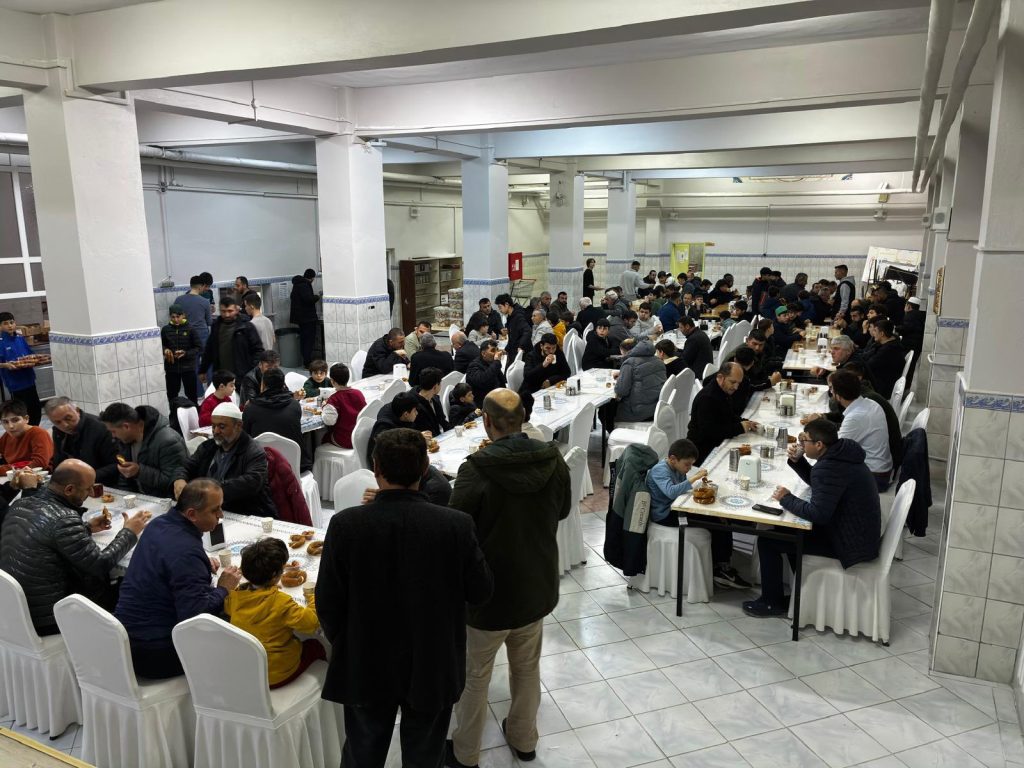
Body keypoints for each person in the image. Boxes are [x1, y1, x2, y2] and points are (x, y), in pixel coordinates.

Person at [317, 428, 491, 768]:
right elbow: (481, 591)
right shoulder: (455, 525)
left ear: (375, 468)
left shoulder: (345, 525)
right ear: (425, 469)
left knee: (362, 755)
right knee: (425, 756)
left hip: (366, 660)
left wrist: (351, 642)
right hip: (432, 660)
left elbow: (328, 603)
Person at [447, 390, 570, 768]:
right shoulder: (553, 458)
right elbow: (563, 510)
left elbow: (456, 529)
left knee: (475, 676)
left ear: (486, 421)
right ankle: (523, 739)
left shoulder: (477, 469)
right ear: (522, 417)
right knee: (527, 667)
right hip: (535, 584)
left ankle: (466, 753)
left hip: (487, 592)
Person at [744, 419, 881, 617]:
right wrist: (799, 461)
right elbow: (822, 485)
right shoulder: (842, 454)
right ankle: (802, 594)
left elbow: (818, 514)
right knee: (786, 531)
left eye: (804, 440)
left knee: (768, 541)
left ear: (819, 445)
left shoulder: (829, 467)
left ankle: (771, 603)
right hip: (857, 534)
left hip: (848, 544)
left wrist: (786, 499)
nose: (800, 444)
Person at [0, 459, 150, 634]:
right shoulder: (64, 519)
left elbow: (49, 537)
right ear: (69, 489)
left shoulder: (20, 504)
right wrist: (129, 532)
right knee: (132, 584)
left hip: (15, 612)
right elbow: (100, 564)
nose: (91, 493)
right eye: (88, 489)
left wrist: (87, 528)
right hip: (50, 618)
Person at [116, 479, 242, 678]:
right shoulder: (186, 552)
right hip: (155, 653)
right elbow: (196, 615)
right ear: (192, 514)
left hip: (124, 638)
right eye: (214, 510)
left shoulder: (158, 524)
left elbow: (169, 558)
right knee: (241, 629)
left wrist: (200, 562)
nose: (221, 515)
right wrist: (223, 588)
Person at [686, 363, 756, 589]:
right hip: (702, 457)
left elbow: (728, 418)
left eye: (739, 383)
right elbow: (711, 431)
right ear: (720, 377)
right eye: (733, 382)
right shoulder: (708, 398)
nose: (736, 387)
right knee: (720, 507)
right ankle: (721, 565)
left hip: (713, 450)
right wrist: (739, 427)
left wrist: (742, 423)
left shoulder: (722, 393)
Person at [225, 538, 325, 688]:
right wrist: (313, 598)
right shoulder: (281, 602)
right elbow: (311, 623)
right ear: (275, 576)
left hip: (249, 670)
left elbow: (231, 607)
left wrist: (268, 587)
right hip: (277, 674)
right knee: (316, 645)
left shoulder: (235, 596)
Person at [176, 401, 277, 517]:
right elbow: (186, 466)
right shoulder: (207, 447)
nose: (216, 431)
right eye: (213, 426)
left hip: (245, 512)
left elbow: (250, 483)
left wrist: (210, 491)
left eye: (222, 427)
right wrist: (179, 479)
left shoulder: (253, 451)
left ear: (238, 426)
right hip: (210, 510)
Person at [100, 402, 187, 497]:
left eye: (113, 431)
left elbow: (173, 481)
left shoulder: (167, 441)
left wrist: (139, 472)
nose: (113, 436)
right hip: (140, 499)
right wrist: (125, 498)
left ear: (126, 427)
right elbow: (125, 479)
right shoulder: (125, 440)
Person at [828, 369, 893, 489]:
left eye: (832, 389)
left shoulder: (855, 417)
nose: (831, 392)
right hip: (882, 467)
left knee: (824, 471)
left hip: (875, 476)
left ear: (838, 396)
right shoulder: (871, 403)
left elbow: (835, 450)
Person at [243, 368, 311, 473]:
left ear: (263, 385)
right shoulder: (294, 405)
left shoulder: (251, 408)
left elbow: (245, 436)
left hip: (262, 468)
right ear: (283, 385)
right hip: (294, 466)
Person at [45, 397, 119, 481]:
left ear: (77, 410)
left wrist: (85, 478)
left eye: (68, 418)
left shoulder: (101, 428)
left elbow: (116, 465)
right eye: (57, 422)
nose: (65, 425)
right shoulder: (58, 431)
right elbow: (59, 462)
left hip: (101, 480)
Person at [201, 296, 264, 392]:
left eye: (230, 311)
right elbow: (209, 350)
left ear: (236, 310)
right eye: (223, 311)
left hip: (242, 377)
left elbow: (258, 350)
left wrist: (252, 371)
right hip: (221, 377)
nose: (227, 314)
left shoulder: (246, 327)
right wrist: (203, 370)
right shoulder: (216, 326)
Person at [646, 439, 708, 526]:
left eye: (691, 464)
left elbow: (683, 488)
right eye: (687, 464)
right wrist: (695, 477)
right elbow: (671, 492)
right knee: (709, 521)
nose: (690, 468)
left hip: (676, 506)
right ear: (673, 459)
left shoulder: (678, 468)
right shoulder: (660, 470)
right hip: (664, 514)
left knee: (710, 516)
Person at [0, 312, 43, 425]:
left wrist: (36, 359)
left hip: (29, 380)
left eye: (11, 322)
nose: (10, 325)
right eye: (5, 323)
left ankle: (34, 430)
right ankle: (24, 432)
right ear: (0, 326)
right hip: (16, 384)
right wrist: (6, 365)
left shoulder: (20, 338)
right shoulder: (1, 342)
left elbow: (30, 354)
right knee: (22, 413)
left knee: (35, 409)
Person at [174, 276, 214, 391]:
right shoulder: (204, 302)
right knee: (208, 362)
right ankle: (211, 391)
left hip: (186, 336)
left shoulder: (179, 300)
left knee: (193, 365)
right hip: (202, 336)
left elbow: (175, 320)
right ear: (201, 286)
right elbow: (209, 322)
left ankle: (199, 394)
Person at [613, 338, 665, 423]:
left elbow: (621, 391)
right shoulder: (659, 361)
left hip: (636, 413)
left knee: (606, 410)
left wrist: (621, 378)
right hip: (655, 409)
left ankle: (613, 430)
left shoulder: (629, 363)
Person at [161, 303, 203, 405]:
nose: (176, 319)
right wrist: (165, 350)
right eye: (173, 317)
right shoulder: (165, 330)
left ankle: (194, 411)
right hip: (172, 368)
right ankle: (173, 412)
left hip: (188, 367)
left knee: (191, 394)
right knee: (172, 394)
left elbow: (198, 347)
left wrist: (186, 353)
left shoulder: (190, 329)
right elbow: (161, 345)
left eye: (178, 316)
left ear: (183, 315)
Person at [366, 391, 421, 467]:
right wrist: (417, 439)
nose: (417, 413)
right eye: (415, 411)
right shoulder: (385, 429)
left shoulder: (398, 410)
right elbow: (393, 454)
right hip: (385, 467)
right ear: (405, 414)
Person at [519, 333, 570, 415]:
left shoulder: (558, 353)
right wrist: (543, 365)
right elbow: (527, 377)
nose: (551, 351)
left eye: (553, 348)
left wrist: (550, 381)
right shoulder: (531, 356)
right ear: (541, 346)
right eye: (548, 348)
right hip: (531, 391)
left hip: (549, 391)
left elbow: (566, 372)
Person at [0, 399, 54, 473]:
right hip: (15, 476)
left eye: (15, 420)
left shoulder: (38, 433)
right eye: (5, 422)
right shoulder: (6, 436)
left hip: (40, 476)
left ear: (26, 419)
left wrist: (2, 469)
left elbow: (39, 463)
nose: (10, 426)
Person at [321, 362, 367, 449]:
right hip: (361, 437)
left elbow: (329, 421)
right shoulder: (358, 393)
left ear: (332, 381)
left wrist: (324, 407)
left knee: (324, 437)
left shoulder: (334, 399)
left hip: (345, 439)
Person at [862, 317, 905, 399]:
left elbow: (869, 365)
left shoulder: (889, 349)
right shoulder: (887, 343)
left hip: (882, 387)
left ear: (882, 334)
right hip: (882, 379)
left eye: (875, 331)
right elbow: (867, 355)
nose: (873, 333)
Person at [290, 268, 321, 367]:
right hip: (308, 318)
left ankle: (305, 359)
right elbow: (308, 300)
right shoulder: (305, 285)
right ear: (312, 278)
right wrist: (317, 297)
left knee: (304, 339)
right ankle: (307, 362)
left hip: (301, 319)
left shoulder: (297, 284)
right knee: (309, 340)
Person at [466, 339, 507, 404]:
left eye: (497, 350)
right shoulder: (473, 366)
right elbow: (484, 381)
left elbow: (501, 381)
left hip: (496, 396)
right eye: (493, 350)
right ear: (483, 353)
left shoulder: (491, 362)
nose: (496, 353)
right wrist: (496, 362)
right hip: (484, 402)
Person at [496, 293, 532, 367]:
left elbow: (527, 331)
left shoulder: (518, 316)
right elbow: (513, 337)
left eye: (500, 307)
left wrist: (521, 346)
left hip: (522, 353)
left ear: (507, 304)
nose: (500, 310)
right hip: (514, 351)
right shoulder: (510, 317)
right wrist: (506, 349)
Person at [413, 367, 450, 436]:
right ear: (435, 387)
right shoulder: (416, 406)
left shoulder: (435, 398)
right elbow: (427, 431)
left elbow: (443, 421)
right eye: (440, 383)